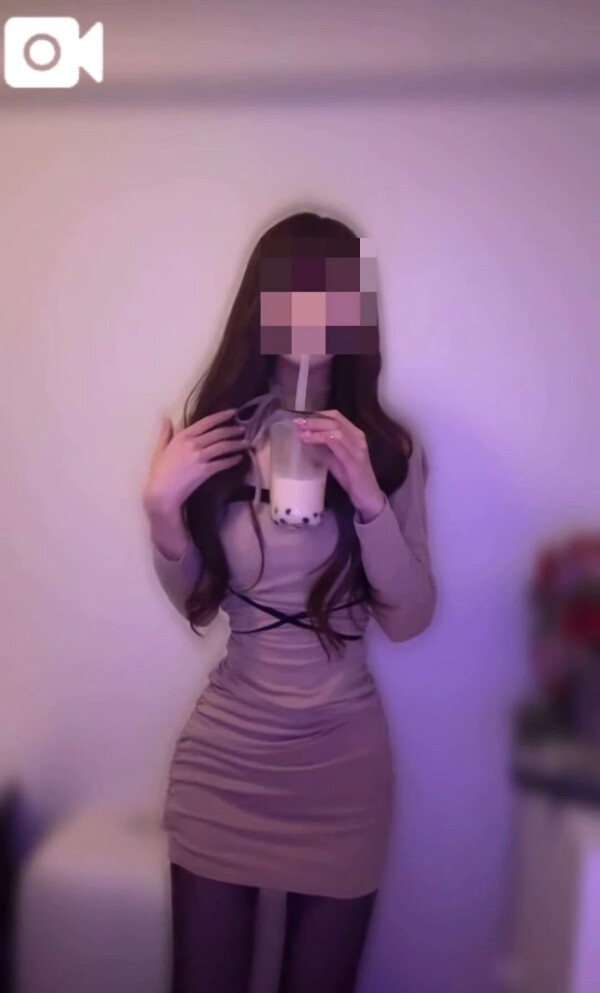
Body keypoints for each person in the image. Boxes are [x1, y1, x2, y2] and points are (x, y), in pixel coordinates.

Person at [141, 211, 437, 993]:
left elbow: (409, 618)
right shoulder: (219, 438)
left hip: (343, 770)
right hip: (226, 763)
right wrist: (162, 510)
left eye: (333, 294)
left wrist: (368, 498)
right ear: (263, 306)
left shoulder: (387, 450)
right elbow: (197, 605)